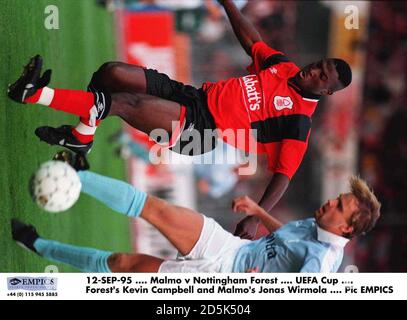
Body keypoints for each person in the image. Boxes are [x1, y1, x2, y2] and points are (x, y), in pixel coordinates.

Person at [7, 0, 352, 238]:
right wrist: (227, 3)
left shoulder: (299, 122)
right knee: (111, 73)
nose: (314, 71)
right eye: (320, 65)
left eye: (322, 77)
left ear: (327, 92)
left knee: (124, 103)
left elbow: (283, 177)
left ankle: (33, 93)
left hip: (200, 133)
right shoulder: (284, 68)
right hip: (194, 97)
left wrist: (256, 217)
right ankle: (81, 136)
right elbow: (253, 41)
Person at [11, 154, 380, 272]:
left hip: (221, 281)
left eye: (340, 207)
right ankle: (77, 175)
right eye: (337, 198)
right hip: (230, 247)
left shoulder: (323, 263)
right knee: (155, 207)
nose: (331, 202)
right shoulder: (318, 224)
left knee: (124, 263)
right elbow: (287, 242)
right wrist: (257, 210)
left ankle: (38, 245)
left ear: (346, 228)